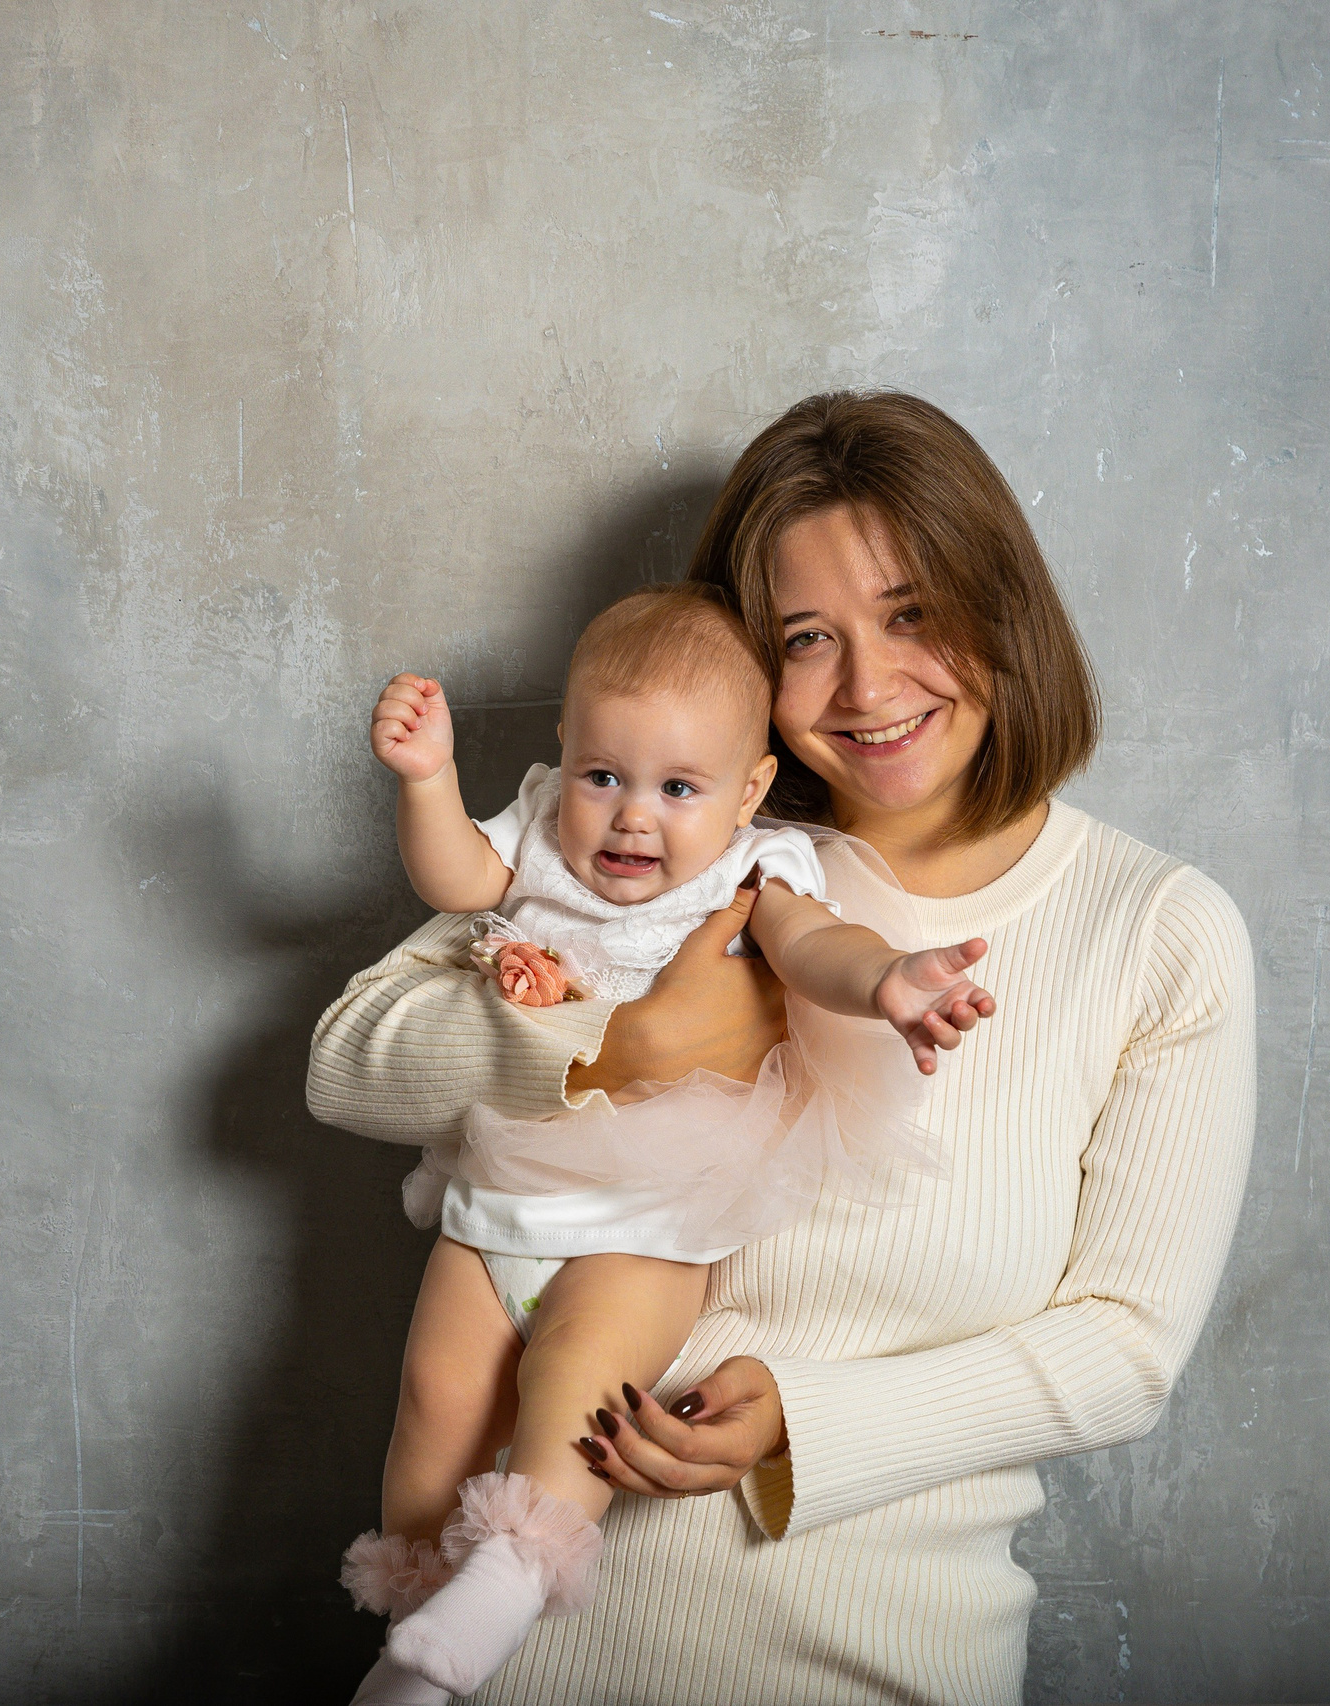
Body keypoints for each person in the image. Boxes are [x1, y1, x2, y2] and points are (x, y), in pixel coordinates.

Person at [309, 390, 1258, 1704]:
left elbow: (1127, 1343)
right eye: (809, 637)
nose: (870, 686)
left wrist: (812, 1423)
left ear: (1004, 604)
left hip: (869, 1663)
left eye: (914, 612)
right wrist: (618, 1044)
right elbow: (349, 1059)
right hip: (512, 1670)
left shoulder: (1154, 931)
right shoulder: (659, 846)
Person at [340, 584, 997, 1701]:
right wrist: (426, 781)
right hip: (504, 1191)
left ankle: (501, 1587)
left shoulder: (755, 869)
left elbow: (816, 943)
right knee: (434, 1397)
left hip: (652, 1216)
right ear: (564, 752)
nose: (632, 816)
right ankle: (415, 1625)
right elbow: (455, 875)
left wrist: (885, 980)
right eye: (606, 775)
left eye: (678, 788)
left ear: (746, 792)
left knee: (575, 1389)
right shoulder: (545, 826)